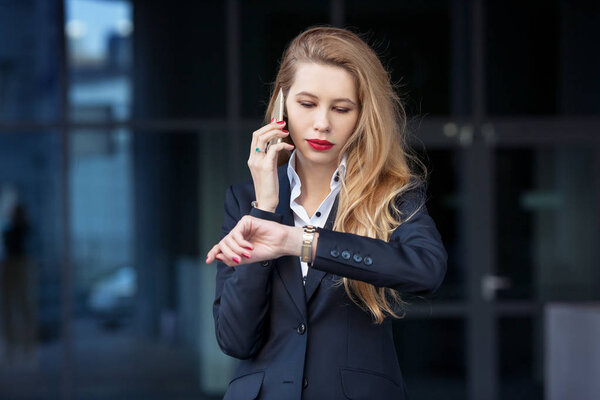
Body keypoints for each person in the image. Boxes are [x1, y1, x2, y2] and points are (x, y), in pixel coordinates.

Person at [206, 26, 447, 400]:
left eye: (341, 108)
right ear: (281, 105)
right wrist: (266, 209)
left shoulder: (391, 194)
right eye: (307, 104)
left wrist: (298, 241)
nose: (322, 123)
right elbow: (235, 339)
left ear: (362, 115)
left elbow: (426, 269)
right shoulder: (244, 201)